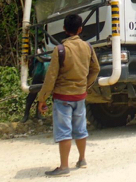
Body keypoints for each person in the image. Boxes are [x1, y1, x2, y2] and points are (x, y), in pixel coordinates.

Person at [38, 14, 100, 177]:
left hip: (62, 97)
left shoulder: (60, 50)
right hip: (80, 96)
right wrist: (86, 85)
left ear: (64, 29)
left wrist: (42, 98)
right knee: (80, 128)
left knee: (64, 130)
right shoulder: (88, 47)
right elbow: (96, 69)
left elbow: (51, 77)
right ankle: (82, 159)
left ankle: (64, 166)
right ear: (80, 29)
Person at [21, 54, 49, 123]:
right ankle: (26, 114)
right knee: (32, 94)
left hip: (47, 74)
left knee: (43, 95)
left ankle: (38, 113)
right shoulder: (40, 50)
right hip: (39, 74)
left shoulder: (52, 50)